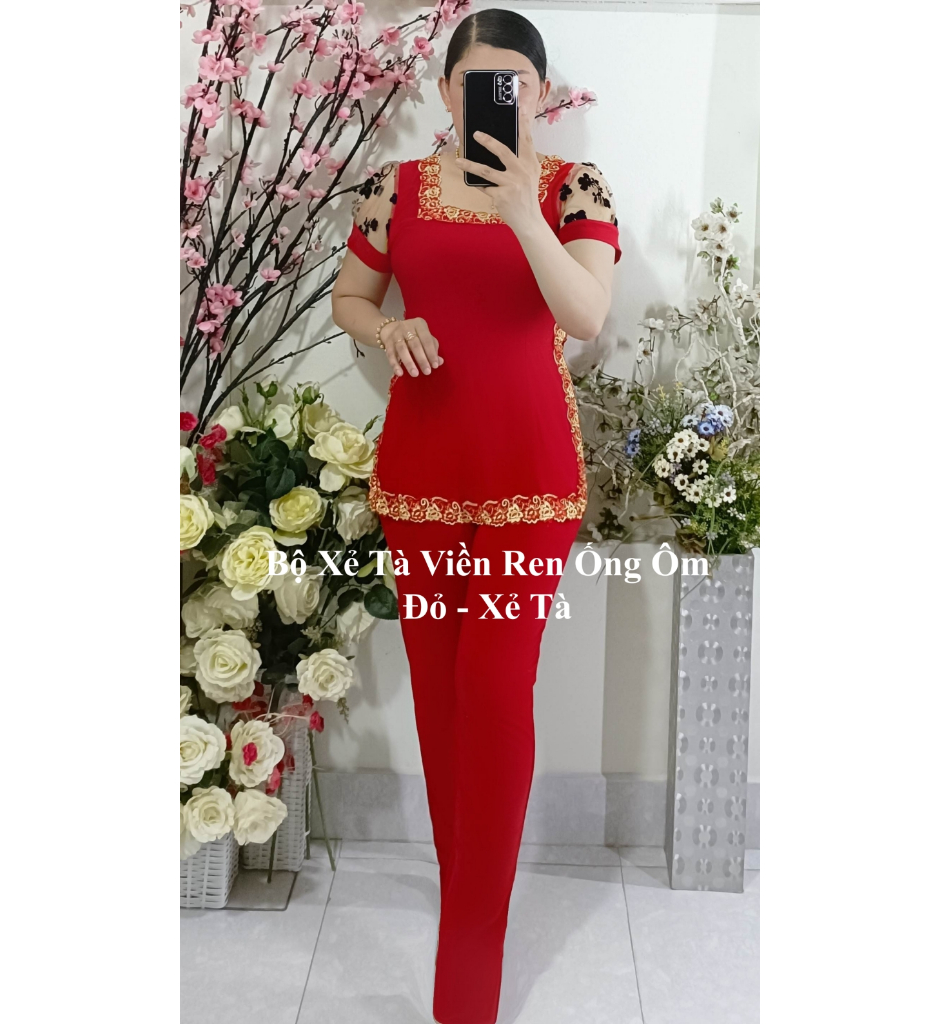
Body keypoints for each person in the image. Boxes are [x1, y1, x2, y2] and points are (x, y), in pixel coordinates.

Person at [330, 10, 621, 1024]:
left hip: (529, 482)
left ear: (540, 94)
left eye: (516, 83)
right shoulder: (395, 188)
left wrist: (520, 211)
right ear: (447, 91)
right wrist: (388, 328)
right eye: (476, 82)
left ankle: (471, 952)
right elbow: (351, 299)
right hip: (419, 475)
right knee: (441, 694)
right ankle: (471, 890)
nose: (497, 97)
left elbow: (586, 316)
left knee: (495, 689)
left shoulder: (572, 189)